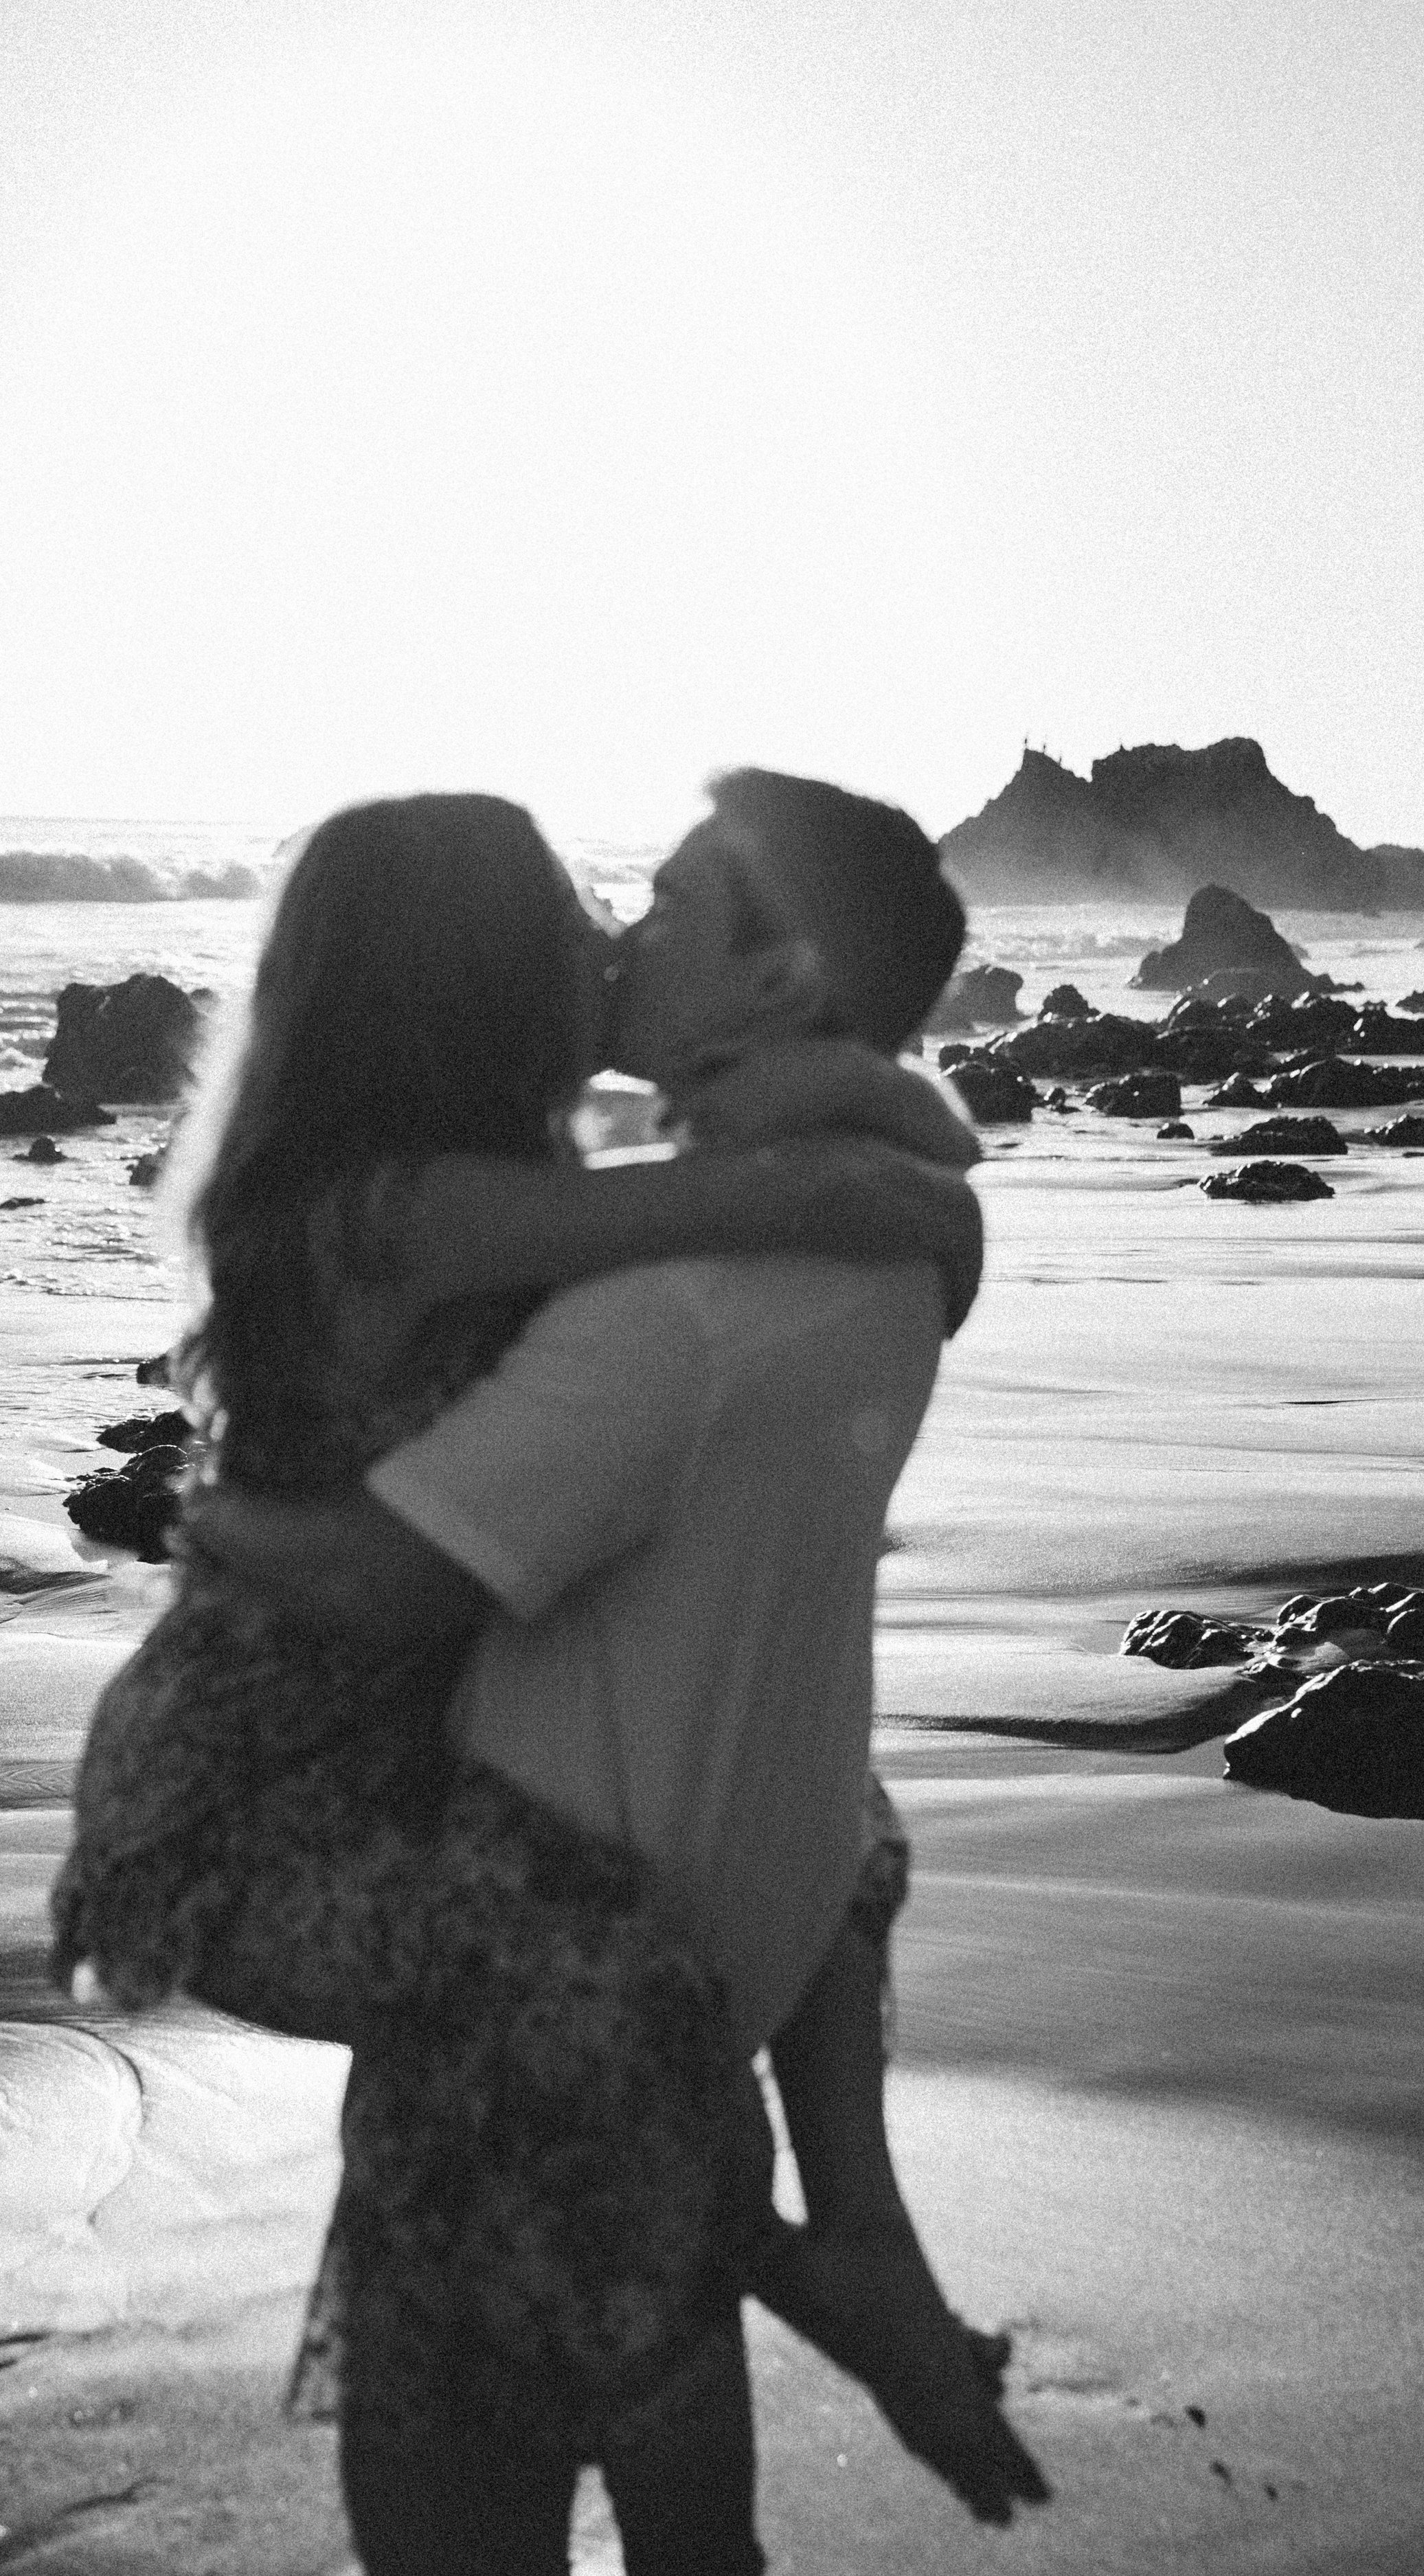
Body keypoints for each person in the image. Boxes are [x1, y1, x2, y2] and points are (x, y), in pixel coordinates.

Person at [54, 787, 1044, 2572]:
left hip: (392, 1744)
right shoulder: (404, 1211)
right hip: (258, 1790)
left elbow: (699, 1206)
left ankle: (820, 2265)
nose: (608, 935)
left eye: (637, 902)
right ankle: (814, 2271)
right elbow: (746, 1197)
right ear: (468, 987)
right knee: (607, 1970)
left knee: (818, 1846)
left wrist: (891, 1168)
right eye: (573, 917)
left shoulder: (471, 1189)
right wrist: (896, 1190)